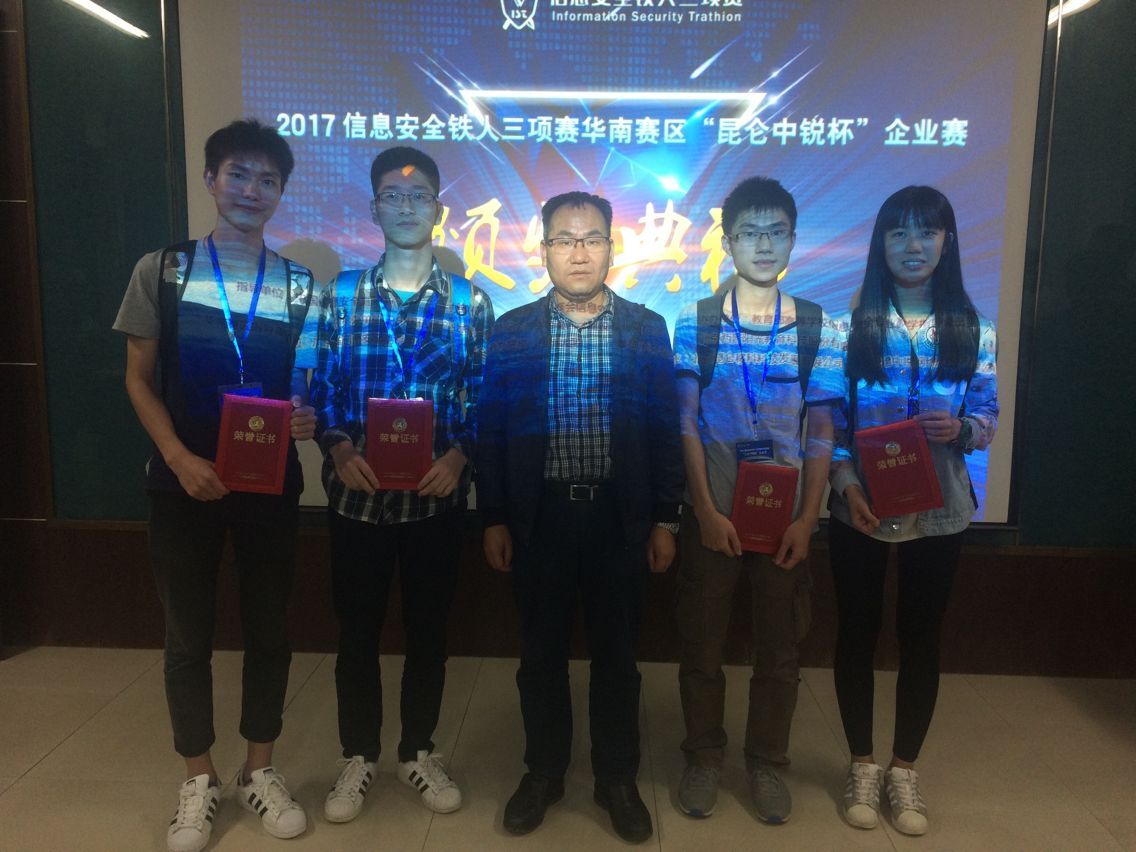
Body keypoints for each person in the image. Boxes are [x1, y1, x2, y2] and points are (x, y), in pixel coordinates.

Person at [114, 119, 316, 852]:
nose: (251, 191)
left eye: (267, 180)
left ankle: (260, 768)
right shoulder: (163, 270)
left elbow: (302, 384)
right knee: (187, 635)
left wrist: (305, 414)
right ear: (211, 179)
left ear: (280, 193)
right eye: (238, 174)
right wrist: (177, 456)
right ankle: (197, 779)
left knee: (269, 630)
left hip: (270, 485)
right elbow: (138, 379)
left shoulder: (299, 285)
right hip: (183, 484)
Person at [477, 191, 684, 843]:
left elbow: (664, 430)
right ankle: (543, 772)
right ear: (543, 251)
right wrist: (493, 516)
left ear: (611, 249)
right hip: (539, 518)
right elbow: (491, 430)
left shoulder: (645, 328)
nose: (578, 253)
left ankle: (616, 778)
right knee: (539, 654)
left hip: (619, 518)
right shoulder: (513, 329)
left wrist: (666, 519)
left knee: (618, 658)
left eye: (592, 239)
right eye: (564, 240)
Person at [309, 147, 494, 823]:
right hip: (356, 501)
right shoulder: (340, 295)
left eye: (419, 198)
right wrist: (338, 444)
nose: (407, 207)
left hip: (434, 503)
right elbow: (321, 390)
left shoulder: (470, 302)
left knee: (428, 634)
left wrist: (460, 456)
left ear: (439, 210)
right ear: (374, 208)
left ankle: (418, 750)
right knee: (356, 634)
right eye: (393, 196)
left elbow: (484, 397)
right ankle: (358, 755)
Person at [671, 176, 844, 824]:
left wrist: (808, 520)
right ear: (728, 242)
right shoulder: (697, 321)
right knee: (701, 648)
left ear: (793, 241)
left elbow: (822, 429)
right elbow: (685, 422)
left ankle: (767, 762)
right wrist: (704, 511)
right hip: (713, 517)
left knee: (780, 653)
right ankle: (703, 757)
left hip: (786, 525)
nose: (764, 244)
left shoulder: (819, 325)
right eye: (750, 232)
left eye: (776, 232)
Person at [828, 185, 998, 836]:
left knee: (921, 637)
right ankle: (862, 763)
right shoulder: (849, 327)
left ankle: (903, 769)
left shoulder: (974, 328)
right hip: (862, 507)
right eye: (897, 232)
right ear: (881, 244)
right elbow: (829, 423)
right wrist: (846, 484)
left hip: (940, 509)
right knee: (857, 632)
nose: (912, 245)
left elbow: (987, 413)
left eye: (926, 231)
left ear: (947, 243)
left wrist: (963, 430)